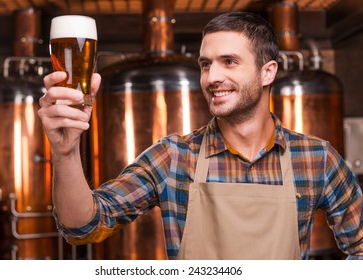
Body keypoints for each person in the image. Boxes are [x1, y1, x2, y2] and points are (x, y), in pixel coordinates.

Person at [38, 12, 363, 260]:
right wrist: (66, 152)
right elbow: (82, 227)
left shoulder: (317, 159)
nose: (212, 77)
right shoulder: (173, 157)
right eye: (206, 64)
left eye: (229, 62)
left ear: (268, 72)